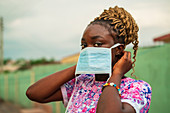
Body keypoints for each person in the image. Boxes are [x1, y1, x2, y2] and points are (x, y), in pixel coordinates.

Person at [26, 6, 152, 113]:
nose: (88, 50)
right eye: (84, 45)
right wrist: (80, 66)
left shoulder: (137, 89)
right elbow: (34, 93)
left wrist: (117, 74)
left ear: (118, 49)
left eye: (97, 44)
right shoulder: (82, 82)